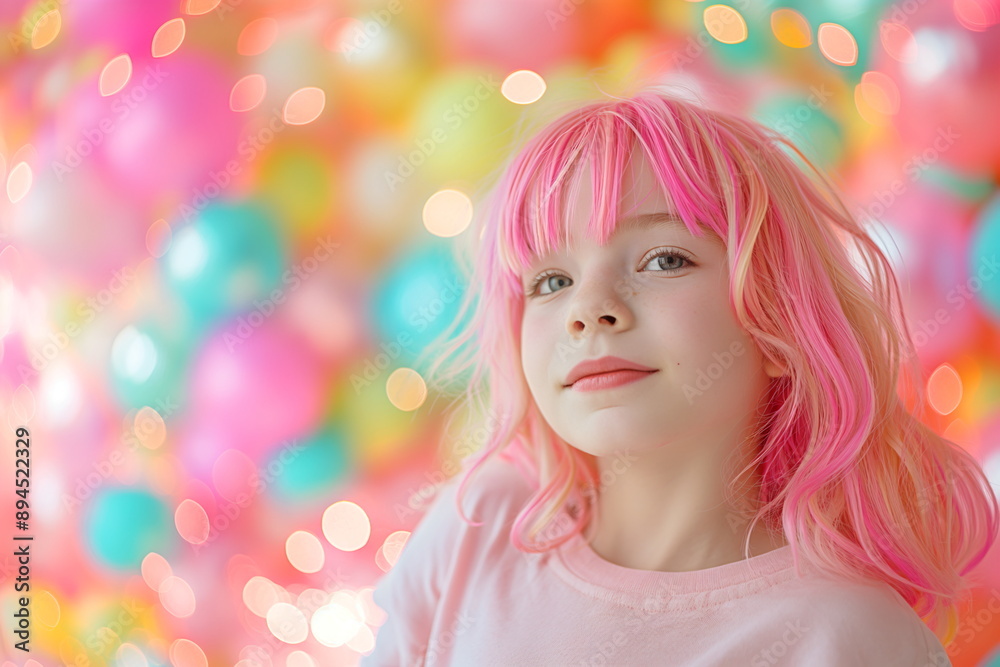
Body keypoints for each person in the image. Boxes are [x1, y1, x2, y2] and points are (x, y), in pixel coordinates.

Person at [360, 87, 999, 666]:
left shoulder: (848, 637)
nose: (589, 310)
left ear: (777, 322)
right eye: (552, 281)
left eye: (664, 259)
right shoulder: (481, 522)